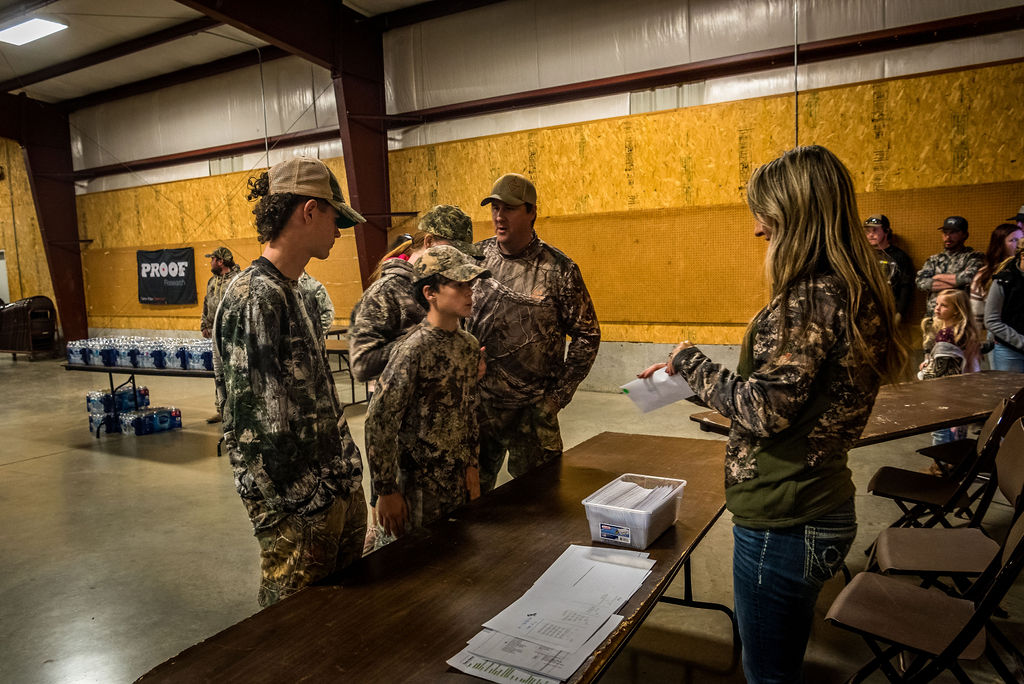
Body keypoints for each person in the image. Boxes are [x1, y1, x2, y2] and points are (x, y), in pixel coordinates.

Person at [638, 145, 905, 684]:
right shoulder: (846, 288)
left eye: (767, 217)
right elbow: (788, 397)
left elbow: (763, 411)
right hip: (816, 504)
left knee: (767, 675)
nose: (759, 231)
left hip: (785, 518)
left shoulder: (808, 298)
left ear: (795, 216)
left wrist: (689, 359)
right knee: (782, 656)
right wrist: (688, 382)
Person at [213, 156, 368, 607]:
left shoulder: (293, 290)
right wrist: (310, 502)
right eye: (335, 218)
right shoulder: (254, 296)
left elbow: (313, 395)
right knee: (293, 628)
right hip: (296, 509)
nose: (338, 232)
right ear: (309, 210)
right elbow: (256, 425)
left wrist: (346, 479)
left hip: (328, 489)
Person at [466, 173, 601, 493]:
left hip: (533, 412)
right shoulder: (475, 258)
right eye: (495, 207)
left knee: (542, 504)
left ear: (531, 212)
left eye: (509, 209)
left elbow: (587, 334)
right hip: (479, 407)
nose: (499, 216)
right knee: (467, 502)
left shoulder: (558, 269)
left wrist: (558, 396)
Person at [365, 245, 489, 538]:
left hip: (457, 482)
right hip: (417, 489)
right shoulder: (412, 349)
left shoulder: (468, 345)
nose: (470, 292)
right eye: (459, 285)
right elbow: (379, 421)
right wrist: (386, 490)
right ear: (430, 292)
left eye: (470, 284)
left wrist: (472, 465)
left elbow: (469, 409)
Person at [349, 204, 482, 385]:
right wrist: (425, 342)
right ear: (429, 242)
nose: (460, 259)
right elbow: (362, 366)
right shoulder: (386, 291)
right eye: (454, 250)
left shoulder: (448, 288)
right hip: (399, 401)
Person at [919, 289, 979, 445]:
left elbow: (941, 370)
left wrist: (923, 374)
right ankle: (954, 462)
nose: (937, 308)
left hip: (945, 390)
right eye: (937, 304)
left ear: (957, 311)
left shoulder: (947, 334)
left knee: (940, 429)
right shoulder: (963, 331)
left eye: (944, 305)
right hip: (962, 386)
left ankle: (939, 466)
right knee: (956, 426)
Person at [200, 246, 241, 423]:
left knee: (235, 371)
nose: (210, 262)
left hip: (233, 335)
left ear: (220, 261)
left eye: (212, 259)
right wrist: (204, 324)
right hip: (215, 335)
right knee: (218, 373)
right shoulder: (211, 282)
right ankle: (222, 409)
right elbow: (206, 303)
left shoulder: (238, 280)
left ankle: (237, 410)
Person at [915, 216, 983, 317]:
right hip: (933, 317)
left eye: (953, 232)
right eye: (945, 232)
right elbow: (920, 282)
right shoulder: (934, 259)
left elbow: (970, 277)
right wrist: (959, 285)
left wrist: (937, 277)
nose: (948, 237)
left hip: (960, 318)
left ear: (965, 235)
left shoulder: (974, 257)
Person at [970, 223, 1023, 332]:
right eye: (1013, 240)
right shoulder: (985, 274)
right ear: (1000, 245)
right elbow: (976, 312)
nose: (1019, 244)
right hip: (996, 333)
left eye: (1021, 239)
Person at [863, 214, 914, 321]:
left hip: (889, 311)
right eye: (867, 231)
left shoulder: (900, 256)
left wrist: (899, 313)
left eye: (875, 230)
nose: (870, 235)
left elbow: (906, 287)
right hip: (865, 311)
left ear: (886, 231)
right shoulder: (861, 256)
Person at [985, 242, 1024, 372]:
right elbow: (991, 320)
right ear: (1022, 255)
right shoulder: (1004, 280)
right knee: (1011, 391)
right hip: (1009, 350)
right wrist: (1021, 342)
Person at [297, 271, 335, 336]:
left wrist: (315, 337)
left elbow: (327, 312)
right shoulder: (281, 284)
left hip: (309, 340)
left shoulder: (314, 286)